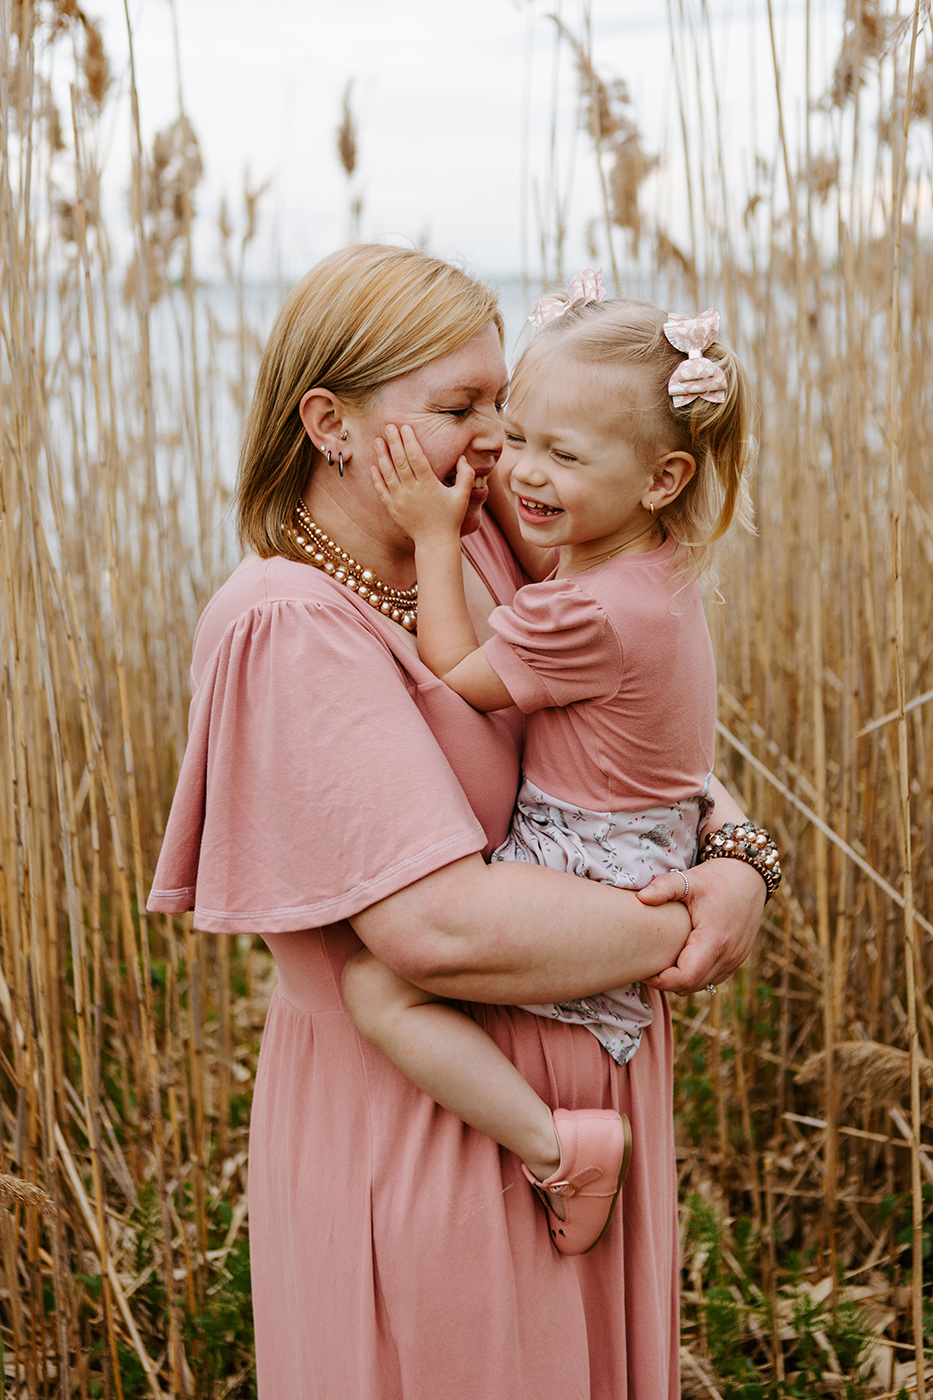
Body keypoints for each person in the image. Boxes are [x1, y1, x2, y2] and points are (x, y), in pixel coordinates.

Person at [147, 243, 771, 1400]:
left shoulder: (481, 534)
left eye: (504, 400)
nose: (497, 439)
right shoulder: (288, 625)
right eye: (461, 406)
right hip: (426, 1133)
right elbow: (433, 930)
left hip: (576, 1084)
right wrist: (672, 923)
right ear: (330, 422)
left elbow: (634, 738)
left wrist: (737, 858)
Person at [340, 277, 779, 1258]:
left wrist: (429, 531)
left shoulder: (581, 610)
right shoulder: (653, 562)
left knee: (375, 985)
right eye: (514, 432)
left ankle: (555, 1143)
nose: (519, 469)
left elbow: (460, 666)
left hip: (581, 862)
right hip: (648, 841)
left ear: (660, 477)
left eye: (562, 453)